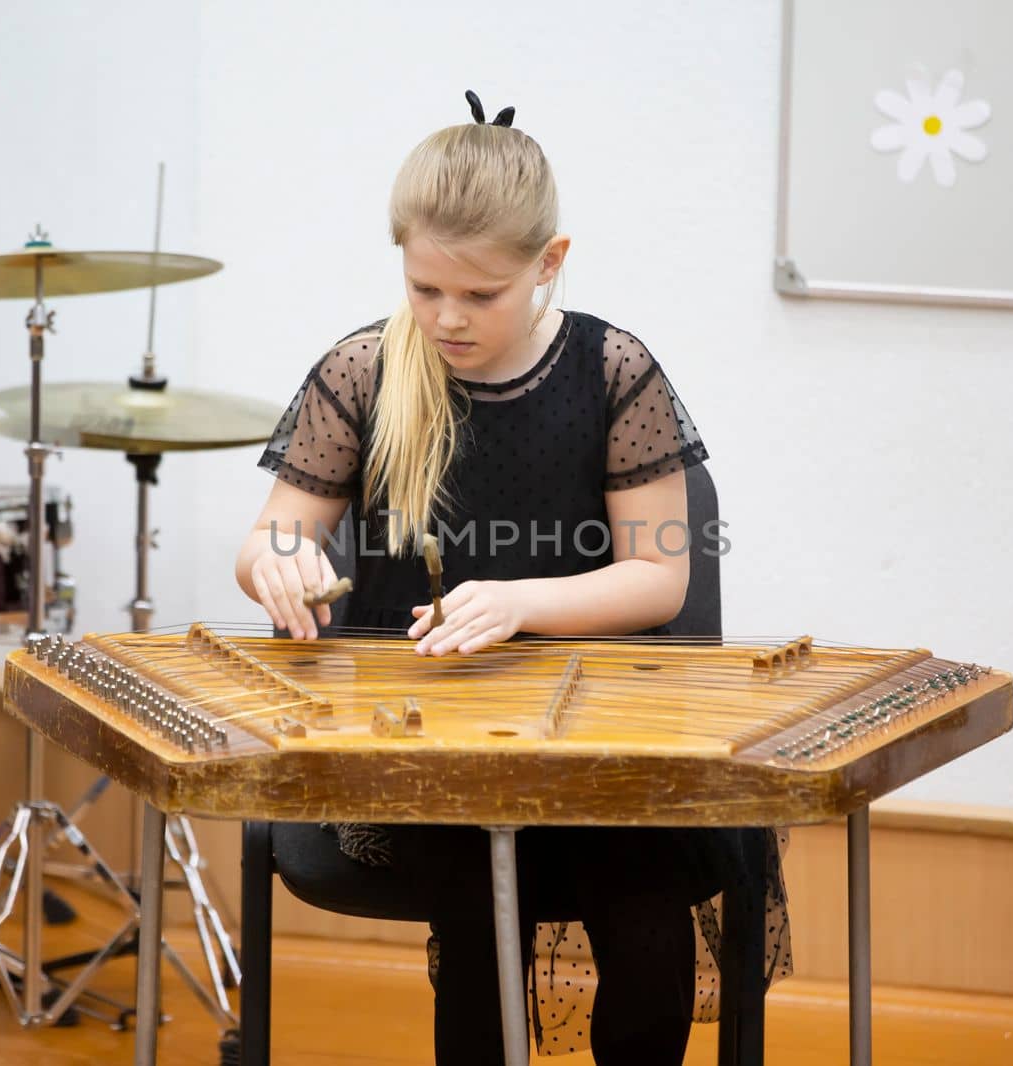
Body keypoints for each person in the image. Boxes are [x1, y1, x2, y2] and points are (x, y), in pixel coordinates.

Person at [235, 90, 741, 1065]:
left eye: (481, 294)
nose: (447, 317)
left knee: (639, 888)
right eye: (425, 289)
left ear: (549, 264)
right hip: (421, 740)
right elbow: (268, 540)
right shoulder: (361, 372)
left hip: (595, 736)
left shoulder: (611, 371)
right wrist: (280, 561)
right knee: (475, 887)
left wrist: (520, 605)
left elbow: (658, 580)